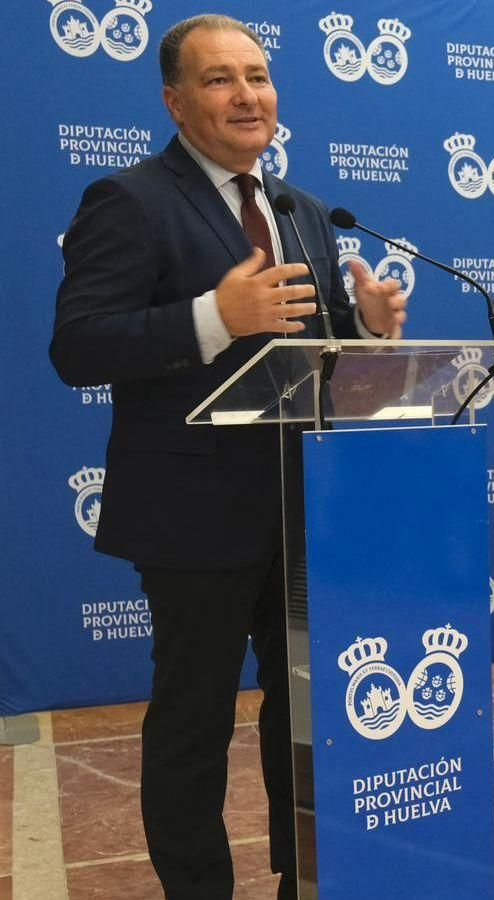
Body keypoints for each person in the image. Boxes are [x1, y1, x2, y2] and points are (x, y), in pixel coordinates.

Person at [48, 15, 407, 899]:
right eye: (219, 80)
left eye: (258, 75)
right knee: (193, 725)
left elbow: (312, 359)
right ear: (174, 101)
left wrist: (363, 330)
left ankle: (308, 879)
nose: (248, 94)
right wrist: (215, 317)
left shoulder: (302, 210)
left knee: (307, 716)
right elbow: (79, 346)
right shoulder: (128, 200)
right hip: (193, 519)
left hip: (305, 509)